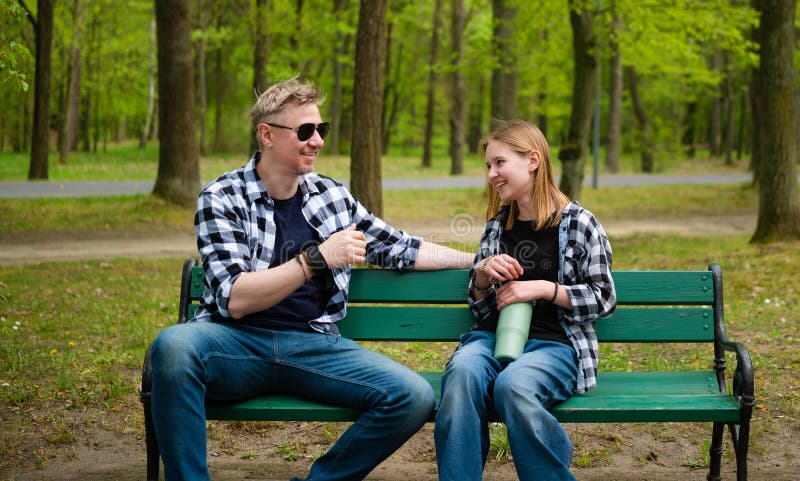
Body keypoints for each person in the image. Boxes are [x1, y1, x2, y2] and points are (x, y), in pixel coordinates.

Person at [148, 76, 473, 481]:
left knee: (413, 395)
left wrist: (478, 260)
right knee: (174, 346)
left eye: (322, 129)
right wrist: (314, 259)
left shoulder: (331, 196)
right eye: (305, 131)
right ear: (267, 135)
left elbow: (403, 248)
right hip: (234, 343)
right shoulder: (222, 197)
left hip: (312, 345)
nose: (317, 141)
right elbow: (235, 298)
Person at [433, 119, 616, 481]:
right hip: (491, 338)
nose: (491, 174)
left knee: (513, 386)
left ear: (532, 160)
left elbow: (604, 298)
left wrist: (545, 289)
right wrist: (483, 275)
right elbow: (481, 308)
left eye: (500, 162)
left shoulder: (580, 224)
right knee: (461, 374)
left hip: (555, 344)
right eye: (488, 165)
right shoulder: (497, 226)